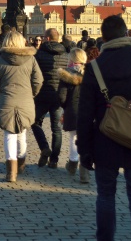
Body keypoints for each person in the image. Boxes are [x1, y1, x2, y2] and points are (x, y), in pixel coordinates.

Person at [77, 15, 131, 241]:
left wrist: (84, 149)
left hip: (105, 140)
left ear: (103, 37)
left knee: (105, 196)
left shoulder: (95, 67)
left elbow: (85, 113)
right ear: (126, 34)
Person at [0, 31, 43, 182]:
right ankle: (21, 163)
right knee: (22, 133)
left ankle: (11, 171)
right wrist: (32, 94)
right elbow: (38, 80)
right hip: (25, 100)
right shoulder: (31, 59)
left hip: (6, 99)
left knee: (9, 134)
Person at [32, 28, 68, 168]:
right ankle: (54, 160)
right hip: (58, 94)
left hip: (42, 94)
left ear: (46, 38)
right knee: (56, 129)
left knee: (35, 122)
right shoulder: (65, 54)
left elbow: (34, 75)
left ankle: (44, 147)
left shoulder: (39, 54)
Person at [57, 47, 90, 183]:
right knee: (86, 139)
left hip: (73, 110)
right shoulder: (91, 73)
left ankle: (72, 164)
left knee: (73, 138)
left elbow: (61, 97)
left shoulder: (66, 75)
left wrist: (66, 108)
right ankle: (85, 173)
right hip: (89, 111)